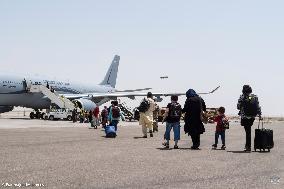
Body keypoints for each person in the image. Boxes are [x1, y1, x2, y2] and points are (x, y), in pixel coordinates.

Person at [237, 85, 262, 152]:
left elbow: (238, 107)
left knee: (248, 131)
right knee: (248, 130)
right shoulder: (255, 96)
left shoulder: (242, 96)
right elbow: (258, 106)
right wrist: (260, 114)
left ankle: (248, 146)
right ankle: (248, 146)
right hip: (252, 116)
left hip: (245, 116)